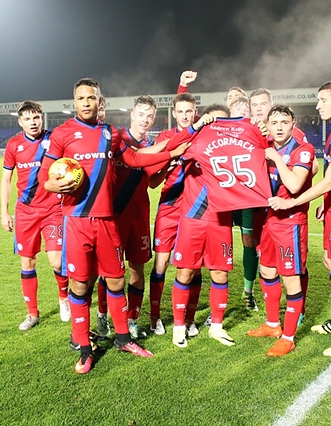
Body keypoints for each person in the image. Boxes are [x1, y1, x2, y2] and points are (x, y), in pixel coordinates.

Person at [39, 77, 189, 374]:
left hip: (108, 222)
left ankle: (123, 338)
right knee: (80, 284)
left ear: (99, 101)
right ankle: (84, 348)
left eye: (90, 98)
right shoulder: (62, 134)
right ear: (75, 102)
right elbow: (46, 177)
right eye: (80, 98)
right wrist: (56, 184)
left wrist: (170, 154)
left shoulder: (109, 134)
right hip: (78, 222)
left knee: (116, 280)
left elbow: (134, 158)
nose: (85, 103)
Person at [269, 80, 331, 356]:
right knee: (330, 261)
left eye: (322, 100)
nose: (318, 105)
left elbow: (329, 181)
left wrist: (293, 201)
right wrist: (326, 204)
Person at [167, 103, 271, 349]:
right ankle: (179, 327)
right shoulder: (196, 141)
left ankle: (216, 327)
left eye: (226, 123)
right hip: (193, 218)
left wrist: (261, 130)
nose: (220, 128)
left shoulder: (235, 147)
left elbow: (262, 154)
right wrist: (196, 126)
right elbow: (172, 148)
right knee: (185, 272)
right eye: (215, 122)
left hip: (221, 219)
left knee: (220, 273)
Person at [247, 105, 315, 357]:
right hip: (268, 221)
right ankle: (273, 325)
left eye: (284, 122)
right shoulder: (264, 146)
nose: (278, 127)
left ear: (293, 123)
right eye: (274, 122)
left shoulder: (302, 149)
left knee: (290, 278)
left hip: (290, 224)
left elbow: (296, 184)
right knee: (267, 269)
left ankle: (288, 337)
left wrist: (276, 158)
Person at [95, 95, 162, 340]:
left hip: (139, 216)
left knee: (137, 270)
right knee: (109, 271)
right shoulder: (115, 138)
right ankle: (103, 317)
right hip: (114, 216)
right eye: (141, 114)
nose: (145, 120)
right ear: (132, 114)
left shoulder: (154, 145)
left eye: (150, 116)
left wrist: (167, 164)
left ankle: (132, 319)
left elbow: (153, 183)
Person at [0, 100, 70, 330]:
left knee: (56, 260)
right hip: (26, 212)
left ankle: (63, 298)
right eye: (28, 119)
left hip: (53, 210)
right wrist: (4, 212)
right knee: (27, 261)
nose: (33, 122)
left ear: (42, 118)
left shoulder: (54, 139)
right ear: (20, 122)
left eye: (36, 117)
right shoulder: (13, 146)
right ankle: (32, 313)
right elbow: (6, 180)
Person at [149, 92, 202, 338]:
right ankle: (154, 317)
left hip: (195, 209)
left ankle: (189, 319)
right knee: (161, 263)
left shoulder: (202, 135)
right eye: (180, 112)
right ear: (173, 113)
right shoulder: (165, 138)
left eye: (188, 111)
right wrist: (165, 165)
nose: (184, 116)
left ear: (195, 112)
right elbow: (152, 181)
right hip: (169, 207)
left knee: (194, 267)